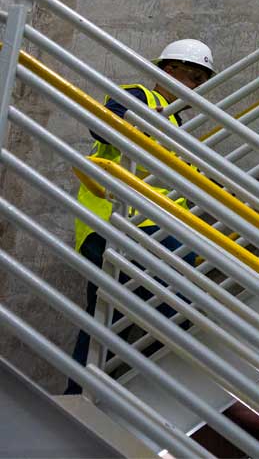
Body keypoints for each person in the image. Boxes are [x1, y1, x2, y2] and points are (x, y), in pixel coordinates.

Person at [65, 39, 215, 394]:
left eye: (199, 80)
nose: (193, 86)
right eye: (189, 75)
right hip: (124, 225)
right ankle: (125, 392)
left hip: (144, 227)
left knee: (106, 321)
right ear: (165, 70)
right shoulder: (142, 97)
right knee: (172, 305)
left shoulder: (179, 127)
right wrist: (149, 127)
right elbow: (102, 125)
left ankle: (86, 396)